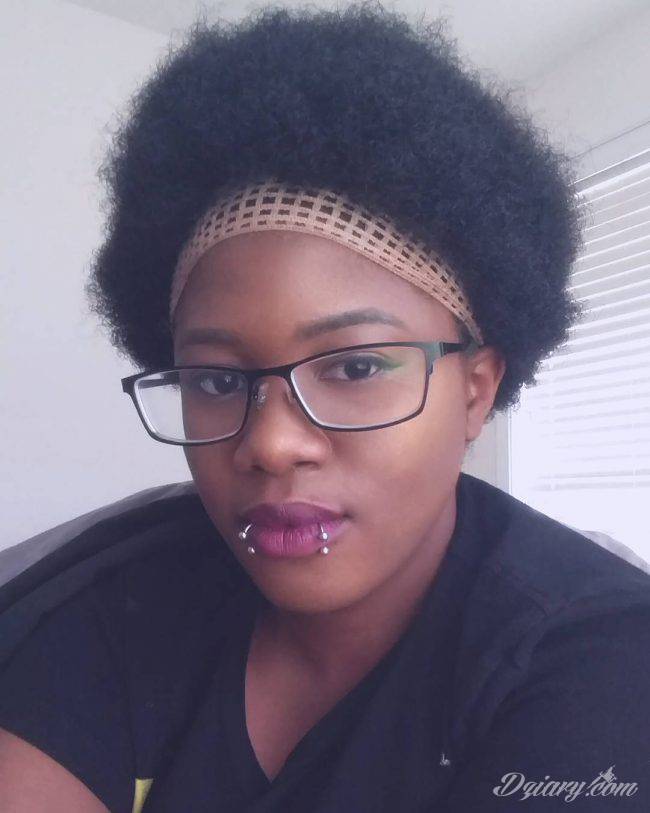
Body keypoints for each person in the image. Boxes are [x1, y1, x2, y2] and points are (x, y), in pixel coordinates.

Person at [1, 3, 649, 811]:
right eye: (216, 380)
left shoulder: (602, 658)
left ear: (475, 390)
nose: (271, 443)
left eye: (356, 365)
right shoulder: (120, 598)